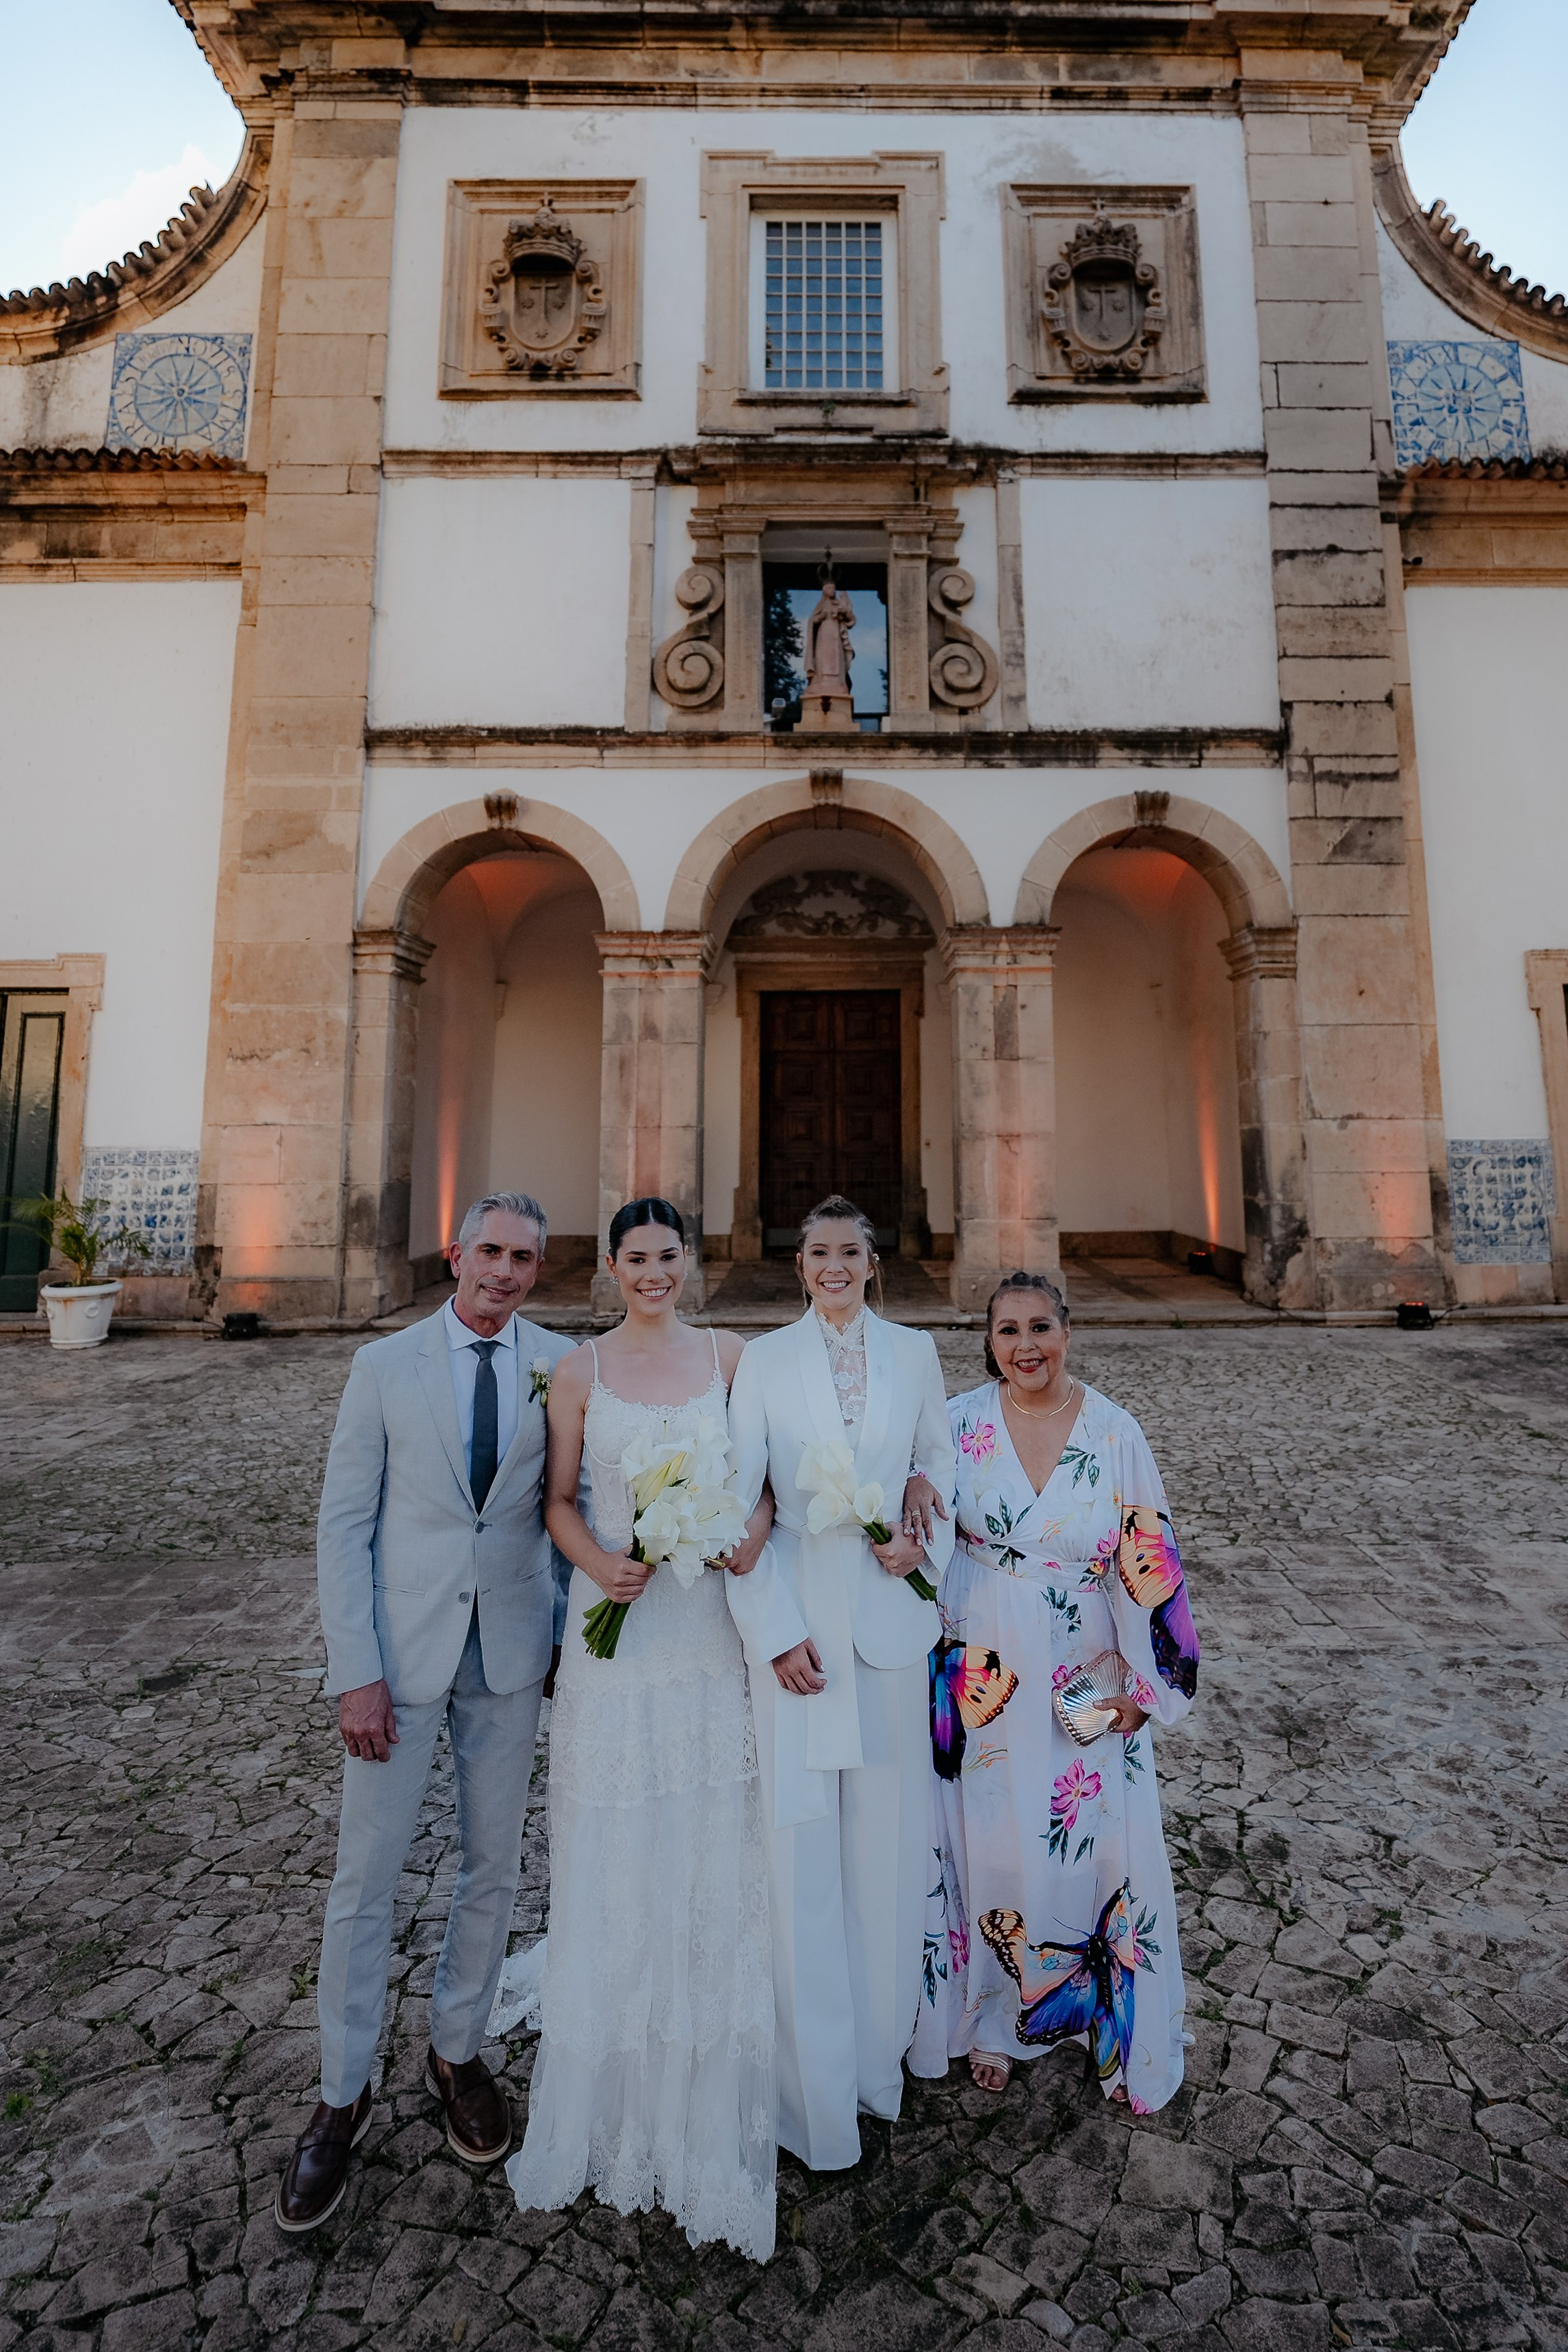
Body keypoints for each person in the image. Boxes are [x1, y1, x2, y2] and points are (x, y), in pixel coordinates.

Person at [275, 1192, 576, 2233]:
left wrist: (564, 1636)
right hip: (397, 1663)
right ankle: (341, 2091)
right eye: (489, 1251)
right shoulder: (383, 1366)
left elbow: (567, 1509)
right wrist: (353, 1670)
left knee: (493, 1865)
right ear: (457, 1254)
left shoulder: (560, 1364)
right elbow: (342, 1526)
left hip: (511, 1654)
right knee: (367, 1876)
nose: (503, 1272)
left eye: (523, 1258)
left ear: (538, 1269)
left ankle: (456, 2052)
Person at [506, 1198, 778, 2260]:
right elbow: (558, 1501)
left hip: (704, 1627)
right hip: (615, 1628)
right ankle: (616, 2051)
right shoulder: (578, 1371)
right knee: (616, 1830)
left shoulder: (731, 1359)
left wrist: (747, 1533)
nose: (653, 1272)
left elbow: (762, 1481)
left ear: (689, 1262)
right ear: (611, 1267)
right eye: (636, 1258)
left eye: (669, 1256)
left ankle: (705, 2038)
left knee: (712, 1826)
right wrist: (598, 1564)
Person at [908, 1273, 1199, 2111]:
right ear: (988, 1341)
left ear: (1066, 1331)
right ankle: (993, 2019)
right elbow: (914, 1522)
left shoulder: (1113, 1431)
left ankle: (1093, 2012)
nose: (1024, 1345)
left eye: (1040, 1326)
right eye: (1007, 1330)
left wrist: (1147, 1686)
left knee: (1087, 1838)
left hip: (1082, 1662)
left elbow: (1149, 1549)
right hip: (979, 1665)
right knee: (986, 1837)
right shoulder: (955, 1423)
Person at [725, 1195, 957, 2171]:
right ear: (799, 1264)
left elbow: (939, 1463)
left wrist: (917, 1536)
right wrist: (773, 1632)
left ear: (872, 1262)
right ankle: (808, 2089)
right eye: (816, 1250)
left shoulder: (914, 1353)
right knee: (801, 1858)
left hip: (888, 1631)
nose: (833, 1265)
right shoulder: (764, 1362)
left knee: (886, 1854)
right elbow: (739, 1506)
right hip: (799, 1640)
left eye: (849, 1251)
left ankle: (873, 2066)